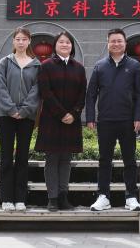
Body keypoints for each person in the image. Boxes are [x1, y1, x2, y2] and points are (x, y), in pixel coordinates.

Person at [85, 27, 140, 212]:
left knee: (130, 160)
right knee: (104, 160)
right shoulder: (100, 66)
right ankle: (103, 196)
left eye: (120, 40)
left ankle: (131, 197)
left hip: (128, 121)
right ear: (108, 43)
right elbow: (91, 94)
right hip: (105, 121)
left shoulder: (134, 65)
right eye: (113, 41)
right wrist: (90, 118)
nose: (116, 44)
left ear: (125, 43)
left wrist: (139, 117)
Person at [35, 30, 86, 212]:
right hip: (51, 120)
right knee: (52, 159)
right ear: (55, 45)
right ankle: (53, 199)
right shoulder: (46, 66)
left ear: (72, 46)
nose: (65, 45)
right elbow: (45, 93)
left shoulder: (78, 68)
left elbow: (82, 94)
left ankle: (63, 197)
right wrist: (62, 114)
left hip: (72, 120)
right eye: (61, 42)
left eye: (68, 42)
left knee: (66, 159)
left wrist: (74, 113)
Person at [0, 26, 40, 211]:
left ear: (29, 41)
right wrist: (11, 109)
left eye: (24, 39)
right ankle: (6, 198)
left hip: (27, 117)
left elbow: (37, 91)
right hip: (6, 116)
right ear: (13, 41)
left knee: (22, 157)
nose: (21, 42)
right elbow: (0, 87)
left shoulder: (36, 65)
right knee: (6, 157)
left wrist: (25, 110)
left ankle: (20, 199)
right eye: (18, 39)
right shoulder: (4, 62)